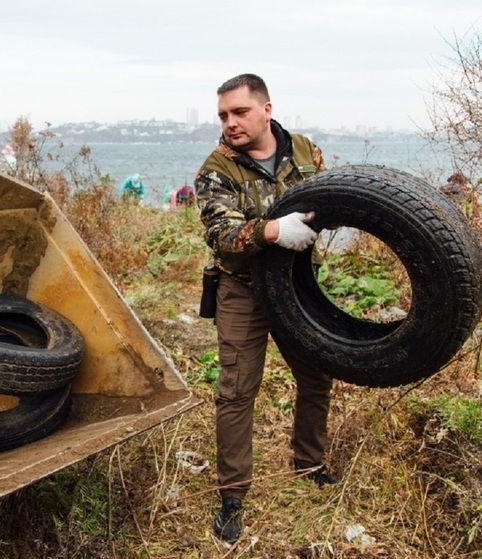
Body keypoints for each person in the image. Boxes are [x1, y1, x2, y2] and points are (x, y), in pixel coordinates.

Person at [194, 73, 337, 545]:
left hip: (297, 284)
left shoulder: (303, 150)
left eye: (239, 112)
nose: (230, 123)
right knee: (236, 392)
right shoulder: (216, 169)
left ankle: (310, 464)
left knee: (316, 376)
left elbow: (328, 196)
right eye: (223, 115)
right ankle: (232, 496)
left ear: (266, 109)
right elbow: (222, 234)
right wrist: (274, 232)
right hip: (243, 288)